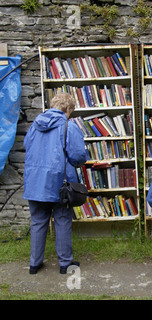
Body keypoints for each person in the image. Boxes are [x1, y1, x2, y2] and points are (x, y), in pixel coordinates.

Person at [23, 92, 87, 275]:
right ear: (67, 109)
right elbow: (78, 156)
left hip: (34, 182)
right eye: (71, 111)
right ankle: (65, 264)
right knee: (62, 221)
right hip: (59, 183)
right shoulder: (68, 125)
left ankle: (34, 264)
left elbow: (27, 146)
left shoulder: (35, 125)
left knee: (37, 222)